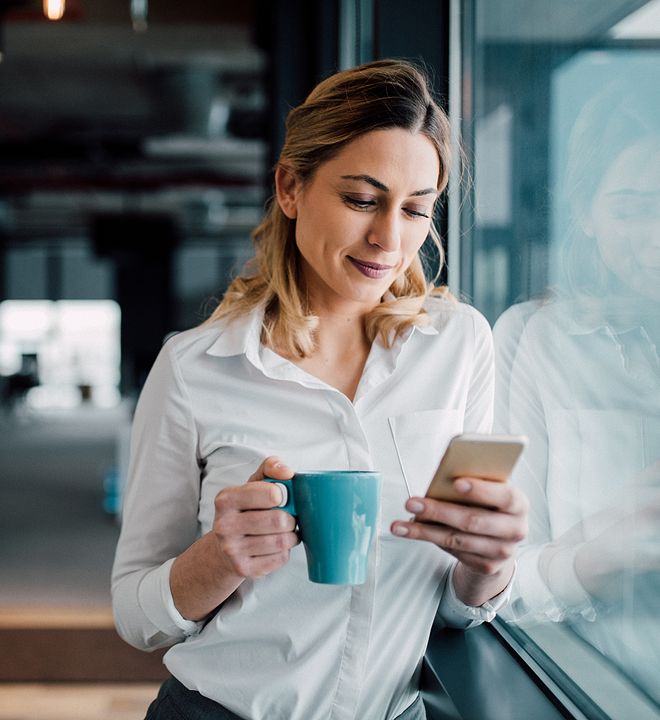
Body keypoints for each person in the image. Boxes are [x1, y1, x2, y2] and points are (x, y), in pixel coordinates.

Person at [112, 59, 528, 720]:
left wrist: (489, 563)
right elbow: (137, 615)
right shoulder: (195, 368)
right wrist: (221, 560)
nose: (389, 240)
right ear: (289, 188)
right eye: (362, 199)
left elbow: (455, 604)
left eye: (416, 209)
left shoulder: (460, 345)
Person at [494, 64, 660, 703]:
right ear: (586, 213)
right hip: (587, 686)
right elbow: (497, 583)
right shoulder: (535, 339)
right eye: (630, 211)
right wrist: (606, 551)